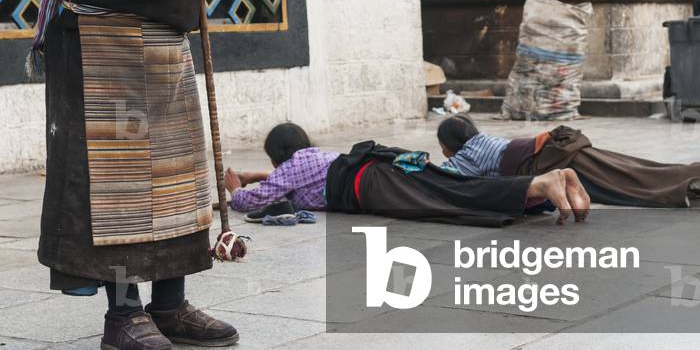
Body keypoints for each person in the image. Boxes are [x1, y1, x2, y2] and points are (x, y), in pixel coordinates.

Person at [35, 0, 263, 350]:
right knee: (123, 187)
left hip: (163, 43)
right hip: (101, 44)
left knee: (178, 177)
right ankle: (122, 314)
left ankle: (171, 304)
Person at [226, 123, 592, 227]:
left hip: (375, 182)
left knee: (453, 198)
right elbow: (289, 187)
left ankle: (540, 184)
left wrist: (234, 191)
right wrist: (258, 174)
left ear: (280, 156)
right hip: (389, 165)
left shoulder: (296, 164)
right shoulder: (316, 158)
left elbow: (254, 200)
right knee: (456, 186)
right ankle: (548, 181)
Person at [435, 115, 700, 207]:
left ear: (449, 146)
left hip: (552, 161)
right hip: (561, 144)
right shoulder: (485, 140)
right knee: (639, 169)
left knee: (635, 184)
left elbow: (440, 175)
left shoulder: (466, 155)